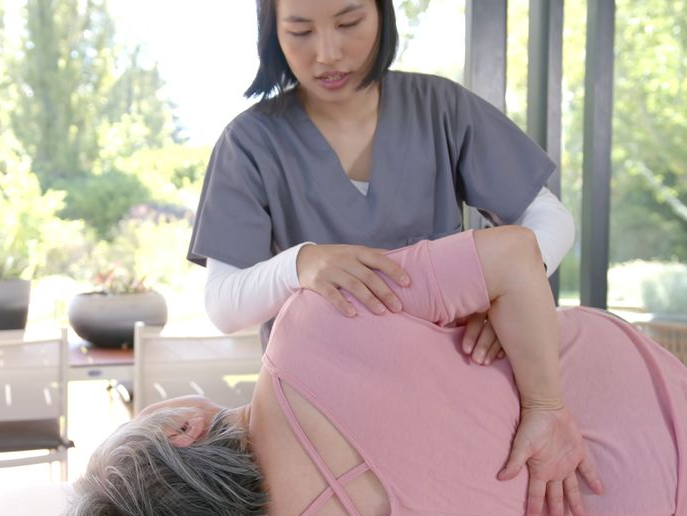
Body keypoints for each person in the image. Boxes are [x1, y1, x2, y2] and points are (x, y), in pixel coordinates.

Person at [46, 226, 687, 516]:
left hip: (671, 487)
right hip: (654, 410)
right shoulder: (315, 327)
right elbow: (514, 253)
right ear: (185, 430)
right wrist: (545, 408)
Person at [189, 0, 573, 363]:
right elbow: (224, 304)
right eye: (300, 31)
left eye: (348, 23)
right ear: (273, 34)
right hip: (315, 397)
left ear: (381, 13)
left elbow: (549, 216)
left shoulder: (441, 109)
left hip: (449, 379)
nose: (327, 54)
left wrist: (508, 295)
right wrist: (299, 265)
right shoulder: (250, 143)